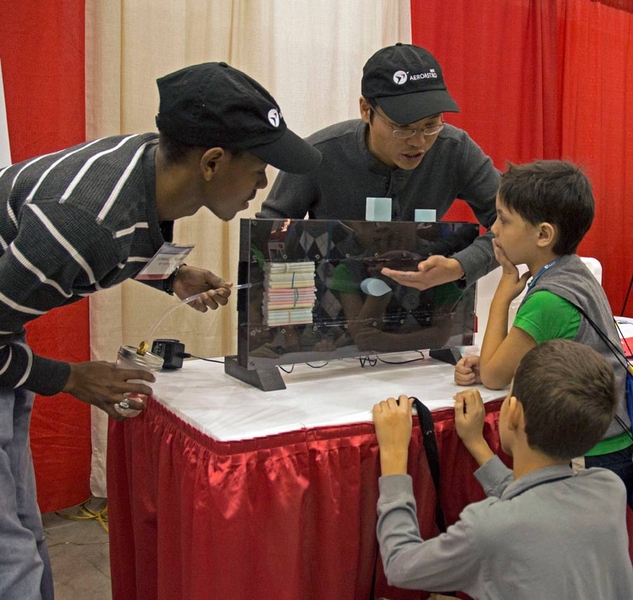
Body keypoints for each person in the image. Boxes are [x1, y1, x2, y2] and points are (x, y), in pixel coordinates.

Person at [0, 62, 320, 599]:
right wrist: (71, 378)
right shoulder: (80, 224)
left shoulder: (146, 165)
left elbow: (128, 231)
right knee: (8, 554)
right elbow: (97, 234)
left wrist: (173, 275)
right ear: (213, 162)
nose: (263, 184)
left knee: (22, 522)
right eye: (260, 167)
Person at [372, 339, 633, 598]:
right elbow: (538, 504)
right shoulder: (608, 488)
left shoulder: (487, 528)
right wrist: (477, 444)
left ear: (514, 412)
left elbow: (400, 566)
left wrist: (394, 455)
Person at [453, 160, 633, 505]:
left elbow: (492, 375)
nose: (494, 228)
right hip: (611, 434)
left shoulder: (548, 300)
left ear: (543, 234)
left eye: (504, 219)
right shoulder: (572, 270)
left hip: (591, 449)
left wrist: (505, 291)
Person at [257, 43, 500, 291]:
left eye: (431, 125)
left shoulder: (455, 149)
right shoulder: (317, 155)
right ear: (365, 109)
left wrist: (461, 266)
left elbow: (518, 221)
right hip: (329, 307)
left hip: (425, 308)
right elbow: (268, 234)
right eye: (403, 127)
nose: (419, 141)